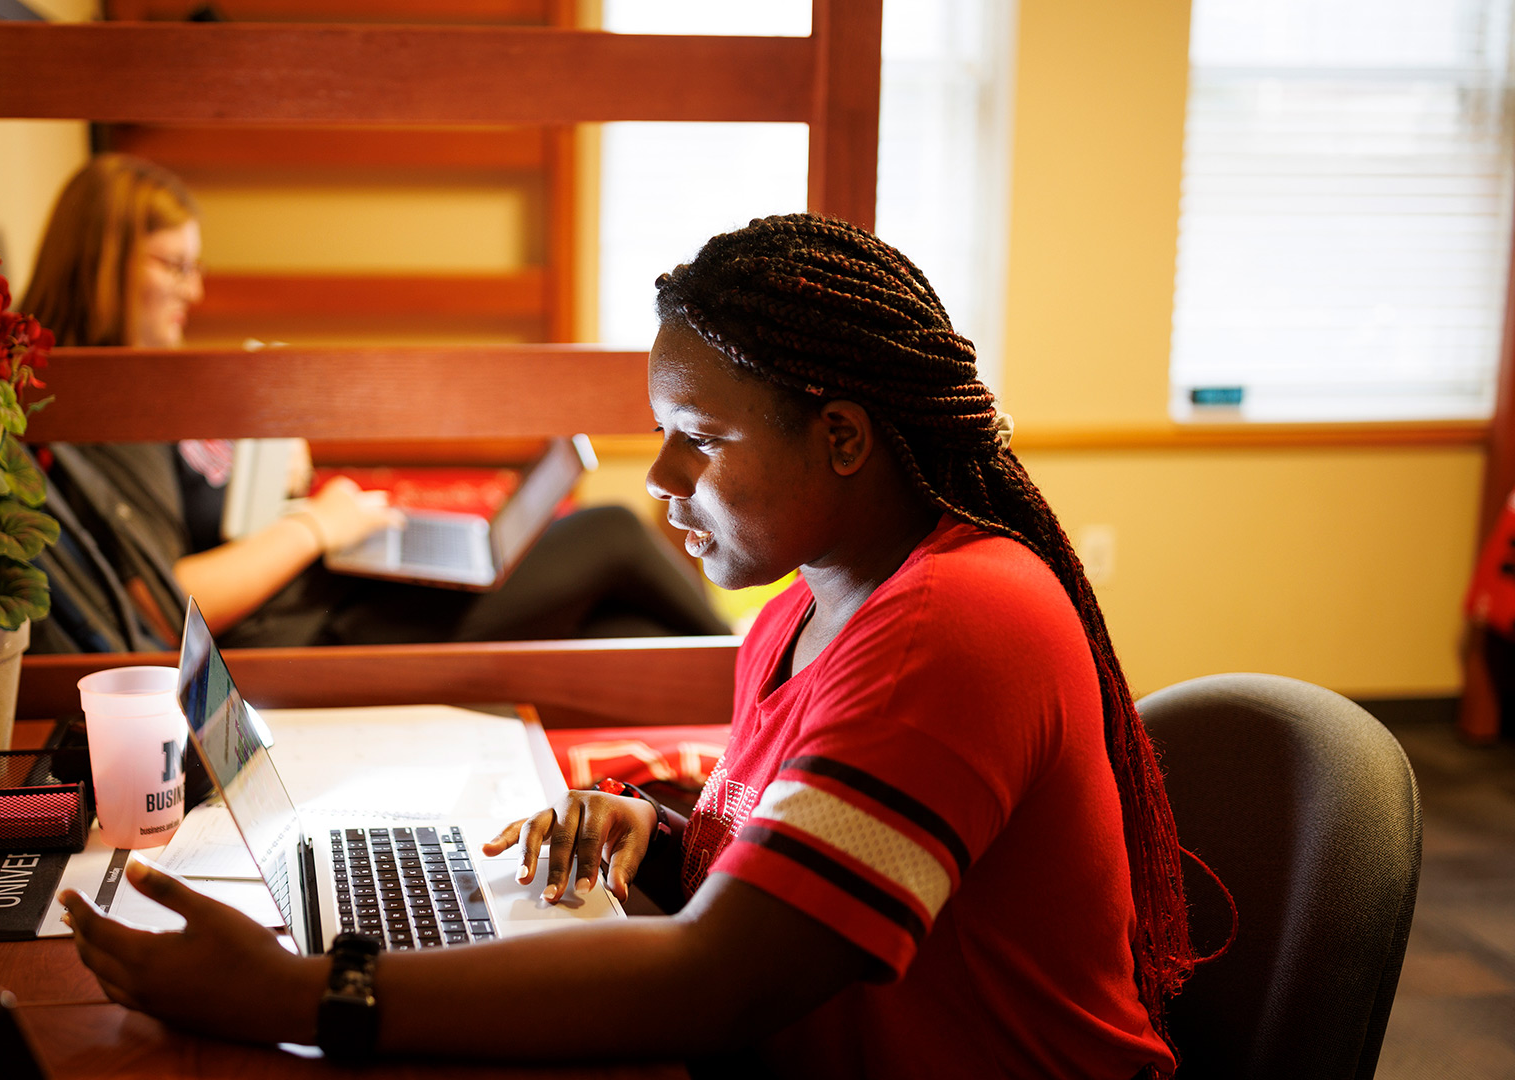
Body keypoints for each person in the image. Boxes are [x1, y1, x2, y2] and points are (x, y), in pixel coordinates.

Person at [59, 215, 1207, 1077]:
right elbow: (782, 902)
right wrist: (669, 842)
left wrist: (308, 991)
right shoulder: (801, 615)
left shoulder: (964, 621)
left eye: (699, 439)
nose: (660, 480)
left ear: (844, 437)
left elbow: (716, 980)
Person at [17, 154, 728, 651]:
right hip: (314, 625)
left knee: (622, 630)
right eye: (173, 266)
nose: (193, 292)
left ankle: (760, 718)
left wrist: (273, 469)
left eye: (194, 267)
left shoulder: (140, 387)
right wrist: (313, 528)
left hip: (326, 590)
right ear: (101, 263)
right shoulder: (90, 411)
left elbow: (202, 514)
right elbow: (160, 607)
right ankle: (769, 690)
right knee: (611, 531)